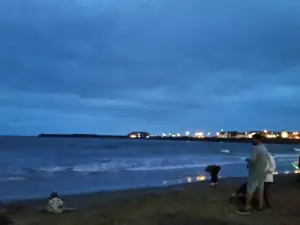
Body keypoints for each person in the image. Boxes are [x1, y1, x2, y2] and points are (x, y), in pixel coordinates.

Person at [236, 133, 269, 215]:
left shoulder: (256, 148)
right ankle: (260, 207)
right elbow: (263, 160)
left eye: (253, 139)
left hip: (255, 172)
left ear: (257, 139)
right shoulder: (265, 148)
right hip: (262, 172)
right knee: (260, 190)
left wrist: (248, 165)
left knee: (250, 191)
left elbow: (253, 161)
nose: (252, 140)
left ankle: (247, 208)